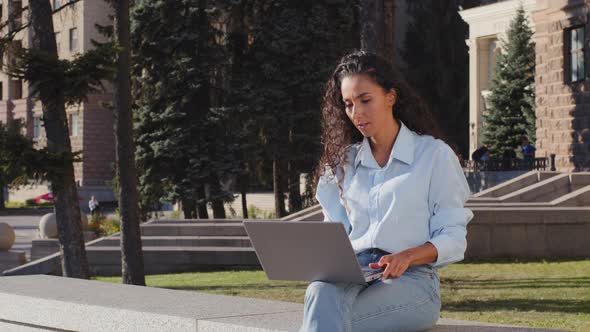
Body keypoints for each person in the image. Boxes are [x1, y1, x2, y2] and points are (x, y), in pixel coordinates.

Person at [301, 51, 473, 332]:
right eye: (348, 104)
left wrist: (407, 256)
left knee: (332, 321)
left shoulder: (433, 155)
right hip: (355, 276)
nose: (356, 113)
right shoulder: (343, 165)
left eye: (365, 100)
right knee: (319, 291)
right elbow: (335, 234)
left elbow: (454, 238)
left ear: (390, 97)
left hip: (412, 282)